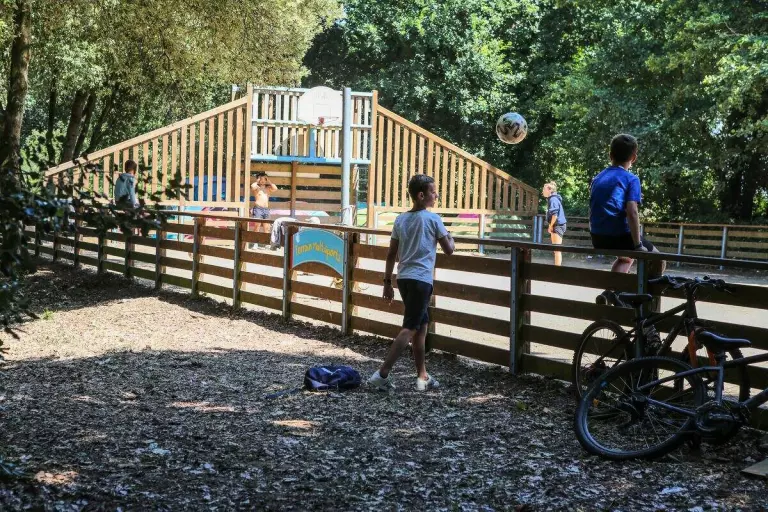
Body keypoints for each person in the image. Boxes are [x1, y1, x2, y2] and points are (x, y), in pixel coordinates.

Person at [368, 174, 455, 392]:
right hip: (421, 281)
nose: (436, 196)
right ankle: (381, 374)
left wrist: (387, 282)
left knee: (421, 327)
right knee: (409, 328)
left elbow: (391, 254)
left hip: (404, 278)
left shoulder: (401, 220)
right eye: (433, 192)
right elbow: (449, 249)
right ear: (421, 195)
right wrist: (450, 236)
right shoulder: (433, 220)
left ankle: (422, 376)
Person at [589, 134, 665, 305]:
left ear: (610, 155)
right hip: (620, 237)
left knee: (626, 258)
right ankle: (646, 300)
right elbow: (632, 212)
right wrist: (637, 245)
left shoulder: (598, 178)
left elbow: (593, 208)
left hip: (598, 237)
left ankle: (609, 293)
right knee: (658, 259)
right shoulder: (631, 179)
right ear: (634, 158)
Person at [249, 172, 278, 248]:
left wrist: (268, 180)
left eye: (264, 179)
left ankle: (267, 243)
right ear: (258, 179)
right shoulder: (256, 187)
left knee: (267, 227)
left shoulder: (268, 188)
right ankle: (255, 243)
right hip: (258, 208)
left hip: (266, 209)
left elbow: (275, 188)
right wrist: (257, 180)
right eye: (261, 179)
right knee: (257, 226)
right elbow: (252, 186)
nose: (263, 180)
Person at [542, 181, 566, 266]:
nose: (542, 191)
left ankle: (557, 270)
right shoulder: (552, 199)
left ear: (549, 190)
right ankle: (556, 268)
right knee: (555, 249)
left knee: (557, 250)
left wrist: (550, 226)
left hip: (558, 226)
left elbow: (555, 215)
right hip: (556, 225)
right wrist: (551, 225)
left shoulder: (553, 199)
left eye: (544, 189)